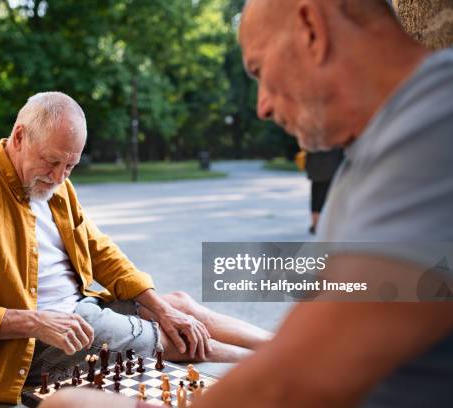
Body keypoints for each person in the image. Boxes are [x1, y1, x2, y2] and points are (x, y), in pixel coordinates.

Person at [40, 0, 453, 407]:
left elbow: (304, 379)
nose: (263, 107)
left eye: (259, 71)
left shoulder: (435, 125)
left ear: (312, 28)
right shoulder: (385, 143)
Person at [0, 92, 269, 404]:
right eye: (52, 161)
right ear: (19, 136)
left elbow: (100, 251)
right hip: (21, 344)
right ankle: (282, 365)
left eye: (70, 165)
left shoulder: (58, 188)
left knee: (178, 307)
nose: (58, 177)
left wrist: (160, 307)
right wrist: (35, 321)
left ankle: (285, 345)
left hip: (81, 309)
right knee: (172, 339)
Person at [305, 149, 344, 234]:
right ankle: (329, 225)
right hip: (332, 169)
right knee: (331, 198)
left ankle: (316, 225)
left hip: (316, 170)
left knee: (316, 197)